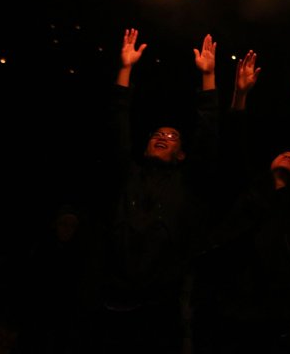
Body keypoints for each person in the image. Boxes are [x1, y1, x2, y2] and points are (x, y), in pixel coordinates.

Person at [90, 27, 220, 354]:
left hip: (159, 308)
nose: (162, 137)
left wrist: (208, 77)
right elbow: (117, 123)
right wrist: (125, 69)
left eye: (172, 136)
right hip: (109, 301)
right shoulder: (128, 175)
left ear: (182, 153)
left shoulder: (187, 183)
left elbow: (208, 133)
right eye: (157, 134)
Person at [191, 49, 290, 354]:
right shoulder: (248, 195)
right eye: (284, 153)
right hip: (227, 308)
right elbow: (233, 150)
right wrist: (240, 95)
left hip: (273, 317)